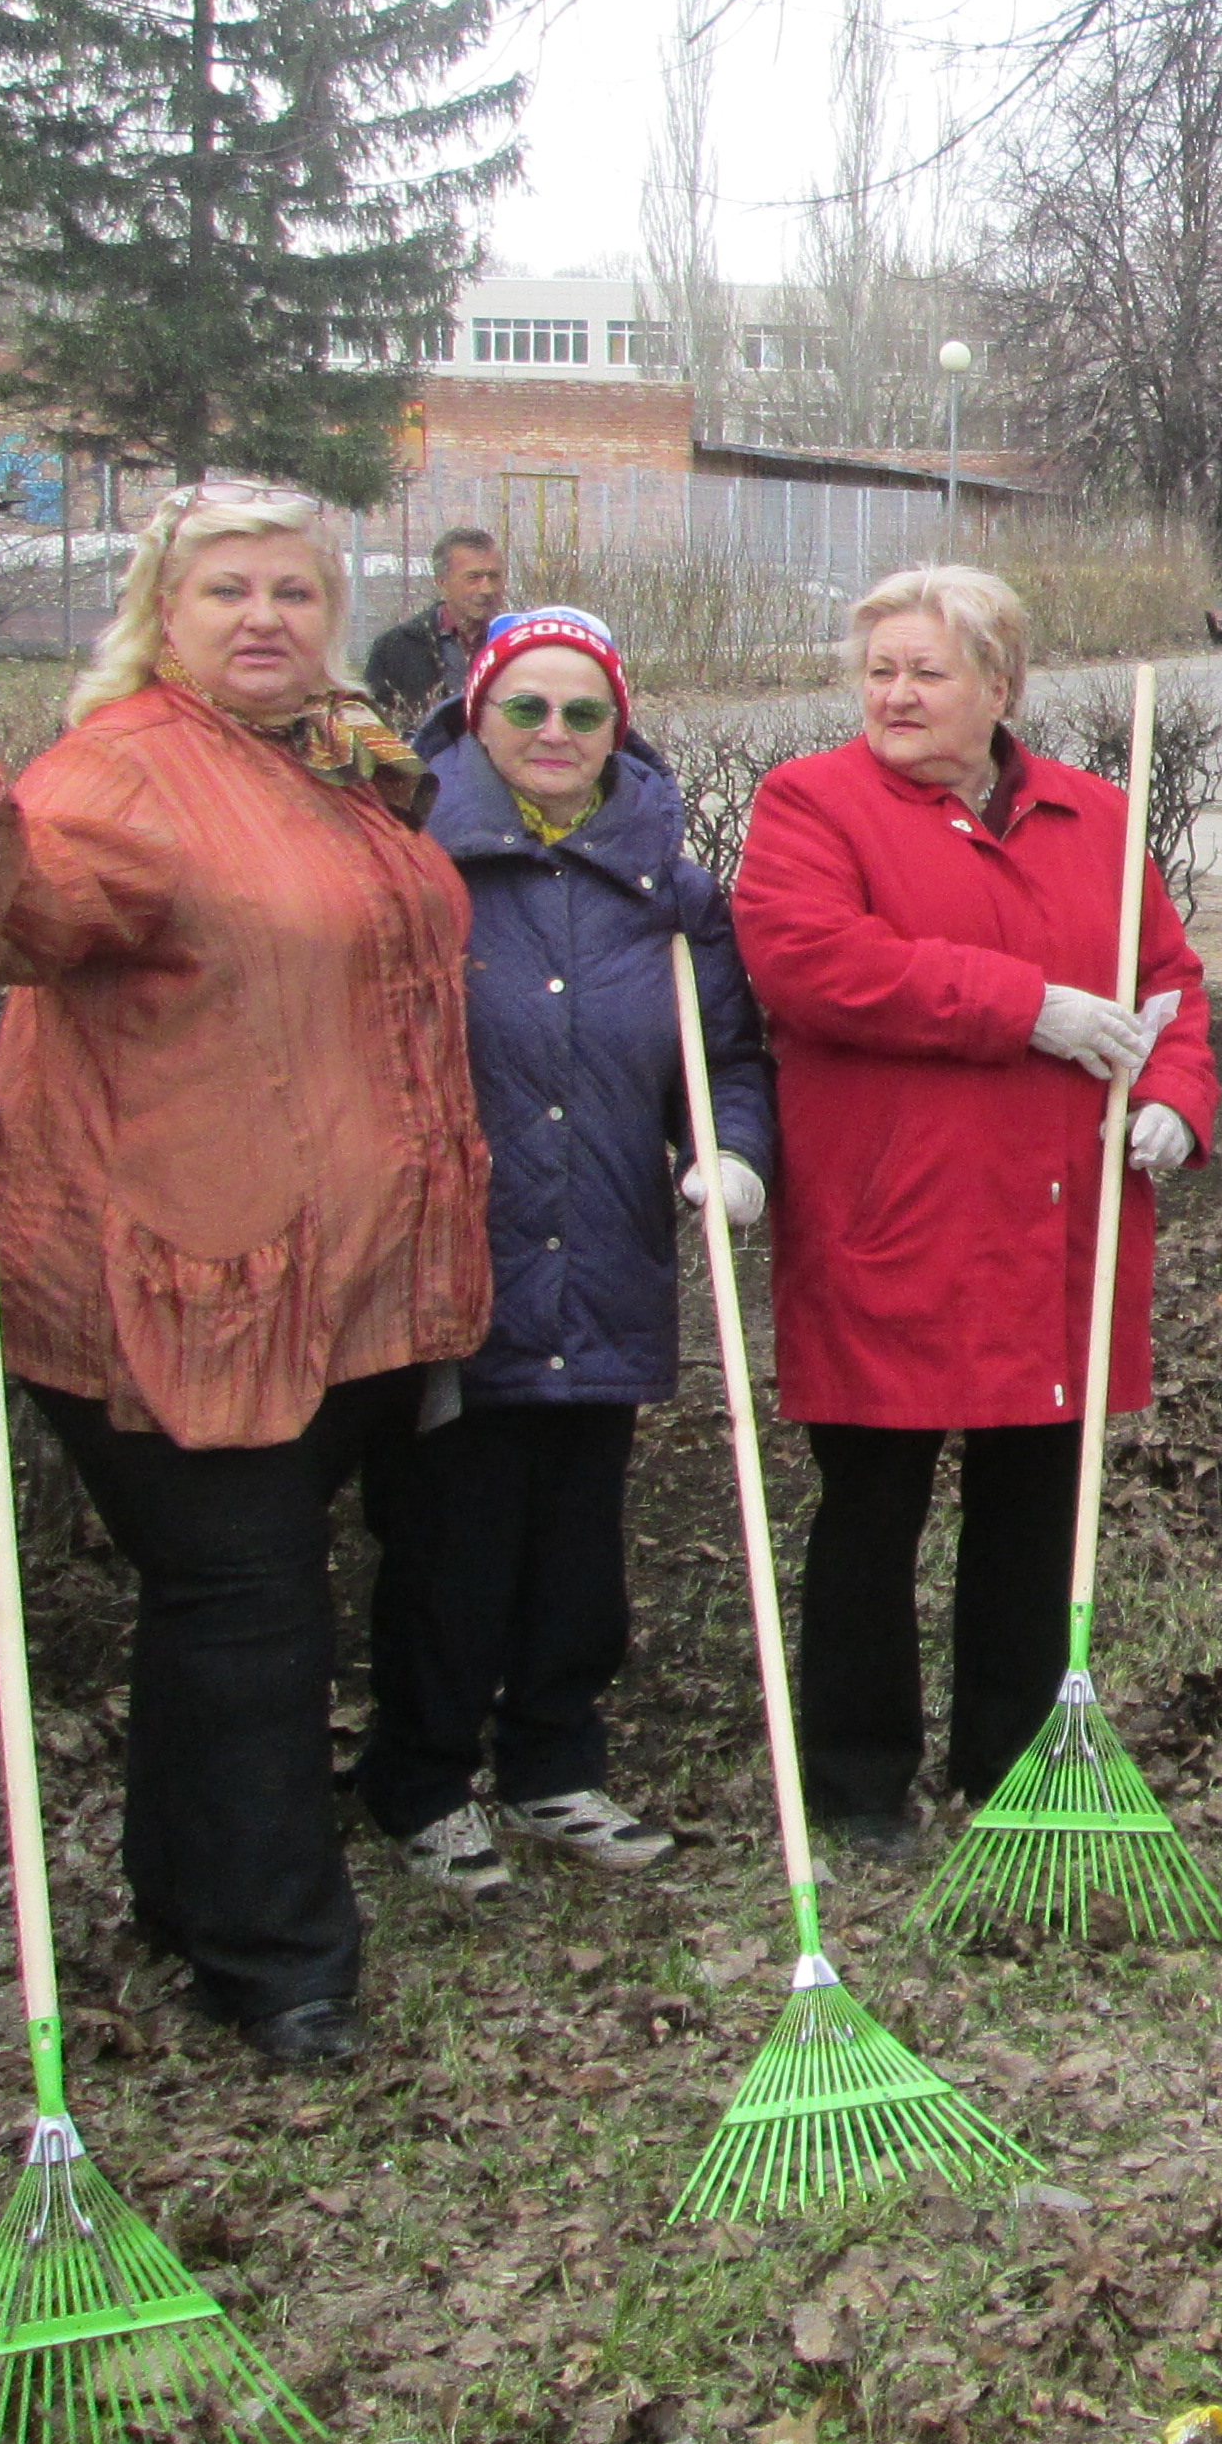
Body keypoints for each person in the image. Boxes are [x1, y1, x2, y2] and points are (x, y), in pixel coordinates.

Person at [0, 479, 486, 2072]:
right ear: (163, 612)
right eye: (227, 594)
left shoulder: (337, 760)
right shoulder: (127, 772)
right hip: (184, 1277)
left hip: (338, 1275)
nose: (264, 618)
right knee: (245, 1609)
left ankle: (189, 1895)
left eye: (291, 591)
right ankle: (277, 1962)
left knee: (234, 1606)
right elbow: (17, 915)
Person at [731, 562, 1218, 1852]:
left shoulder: (1096, 819)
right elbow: (810, 963)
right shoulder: (811, 805)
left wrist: (1176, 1093)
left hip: (1060, 1222)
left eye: (925, 672)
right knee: (873, 1503)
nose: (893, 695)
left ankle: (1009, 1760)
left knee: (1035, 1506)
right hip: (897, 1217)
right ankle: (856, 1776)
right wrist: (1027, 1007)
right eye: (878, 670)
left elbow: (1168, 980)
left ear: (999, 687)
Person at [362, 605, 772, 1893]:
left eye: (582, 712)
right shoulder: (411, 861)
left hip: (603, 1259)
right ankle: (420, 1779)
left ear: (618, 728)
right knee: (451, 1536)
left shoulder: (669, 887)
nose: (553, 733)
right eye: (525, 707)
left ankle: (553, 1763)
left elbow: (729, 1057)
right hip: (453, 1266)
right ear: (476, 714)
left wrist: (737, 1150)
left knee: (580, 1541)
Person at [365, 525, 506, 723]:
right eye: (473, 577)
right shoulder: (396, 648)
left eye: (494, 576)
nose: (487, 589)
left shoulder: (517, 644)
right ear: (442, 582)